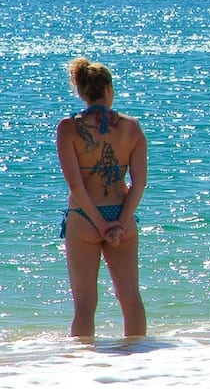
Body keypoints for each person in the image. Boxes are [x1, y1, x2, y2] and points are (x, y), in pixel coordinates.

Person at [54, 57, 148, 338]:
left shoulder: (68, 128)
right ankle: (139, 363)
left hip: (85, 218)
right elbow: (139, 183)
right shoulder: (131, 127)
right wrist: (118, 222)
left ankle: (84, 369)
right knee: (131, 300)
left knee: (84, 306)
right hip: (121, 213)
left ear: (81, 91)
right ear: (109, 88)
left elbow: (76, 185)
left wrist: (100, 224)